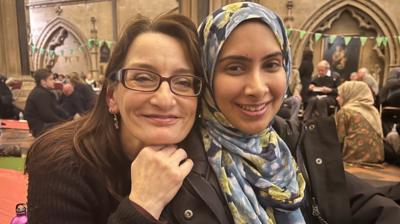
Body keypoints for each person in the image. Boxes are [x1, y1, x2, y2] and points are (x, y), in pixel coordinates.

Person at [198, 2, 400, 223]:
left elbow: (371, 205)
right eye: (235, 67)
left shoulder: (297, 143)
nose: (257, 88)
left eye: (271, 64)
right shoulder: (178, 169)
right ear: (206, 74)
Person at [25, 14, 204, 223]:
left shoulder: (207, 158)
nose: (165, 100)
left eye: (183, 82)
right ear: (112, 97)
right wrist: (144, 204)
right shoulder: (61, 166)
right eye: (143, 78)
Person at [335, 81, 384, 164]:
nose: (337, 98)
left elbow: (337, 138)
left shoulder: (346, 111)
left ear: (349, 95)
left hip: (352, 158)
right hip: (376, 157)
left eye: (340, 95)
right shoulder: (374, 111)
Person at [24, 69, 69, 137]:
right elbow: (47, 115)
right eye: (51, 79)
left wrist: (68, 118)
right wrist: (64, 122)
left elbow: (57, 109)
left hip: (45, 125)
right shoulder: (40, 94)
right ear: (43, 82)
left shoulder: (44, 92)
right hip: (40, 129)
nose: (54, 81)